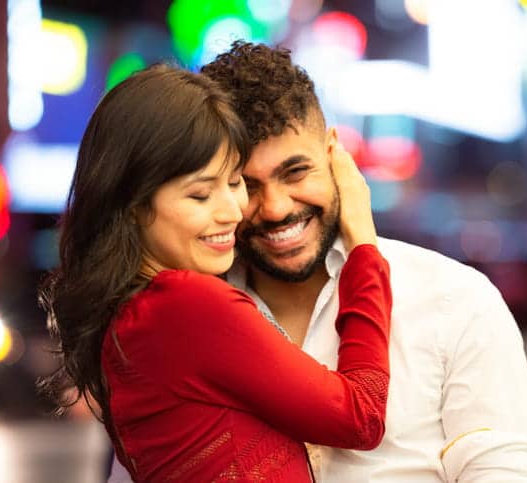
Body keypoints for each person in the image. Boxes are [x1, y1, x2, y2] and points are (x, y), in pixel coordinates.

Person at [111, 42, 527, 482]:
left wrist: (364, 252)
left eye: (295, 172)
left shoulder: (455, 300)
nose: (277, 207)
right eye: (246, 183)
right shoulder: (181, 323)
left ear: (335, 154)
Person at [39, 64, 395, 482]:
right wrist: (365, 250)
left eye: (234, 181)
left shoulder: (130, 314)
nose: (233, 211)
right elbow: (361, 415)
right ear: (133, 205)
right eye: (201, 194)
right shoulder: (185, 304)